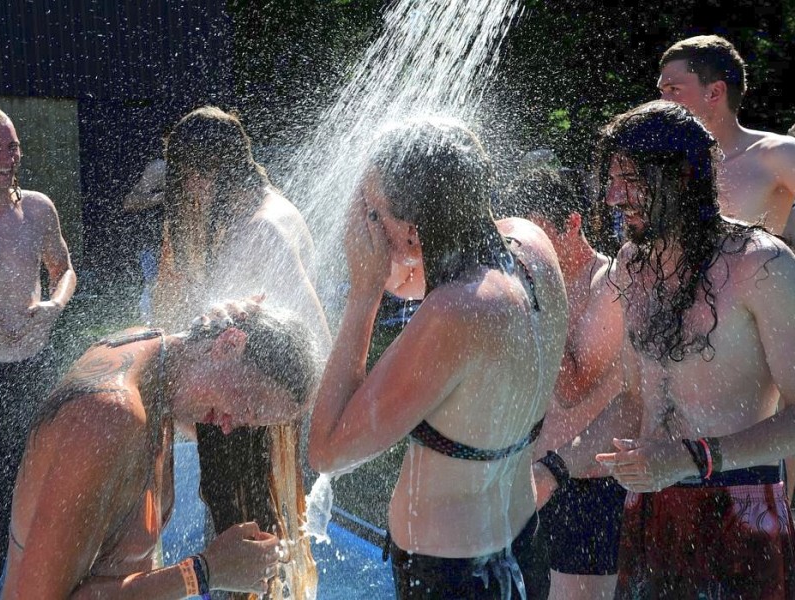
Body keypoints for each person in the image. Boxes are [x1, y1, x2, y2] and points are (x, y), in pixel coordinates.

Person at [537, 100, 795, 598]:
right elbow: (634, 404)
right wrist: (550, 472)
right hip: (648, 510)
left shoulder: (763, 266)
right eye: (610, 180)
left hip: (741, 510)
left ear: (680, 177)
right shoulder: (631, 266)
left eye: (628, 179)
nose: (613, 197)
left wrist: (691, 459)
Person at [308, 116, 568, 599]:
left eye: (373, 213)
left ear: (410, 231)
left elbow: (326, 449)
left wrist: (362, 295)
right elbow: (412, 278)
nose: (366, 222)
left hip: (455, 578)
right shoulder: (529, 246)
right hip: (520, 544)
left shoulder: (457, 313)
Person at [2, 300, 319, 599]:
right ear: (229, 344)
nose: (229, 427)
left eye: (252, 423)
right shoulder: (109, 416)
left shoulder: (159, 366)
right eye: (249, 405)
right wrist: (204, 571)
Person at [154, 106, 330, 600]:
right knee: (261, 561)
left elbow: (313, 348)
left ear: (201, 176)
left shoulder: (262, 231)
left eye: (186, 184)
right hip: (251, 414)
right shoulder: (253, 214)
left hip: (258, 426)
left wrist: (260, 413)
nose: (186, 199)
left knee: (256, 563)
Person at [495, 167, 625, 599]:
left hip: (585, 489)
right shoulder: (530, 284)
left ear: (572, 223)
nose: (528, 252)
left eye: (538, 237)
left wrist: (538, 295)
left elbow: (573, 389)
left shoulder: (607, 284)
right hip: (526, 481)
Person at [0, 106, 77, 582]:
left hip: (31, 367)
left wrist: (53, 307)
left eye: (14, 146)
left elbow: (64, 271)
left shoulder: (39, 209)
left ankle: (33, 577)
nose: (8, 158)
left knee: (37, 476)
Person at [657, 35, 795, 240]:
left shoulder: (778, 154)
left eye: (674, 89)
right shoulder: (666, 165)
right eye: (662, 91)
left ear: (715, 92)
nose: (662, 103)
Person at [123, 156, 166, 322]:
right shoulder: (160, 168)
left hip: (188, 241)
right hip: (153, 243)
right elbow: (129, 202)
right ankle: (151, 327)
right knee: (154, 286)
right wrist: (162, 197)